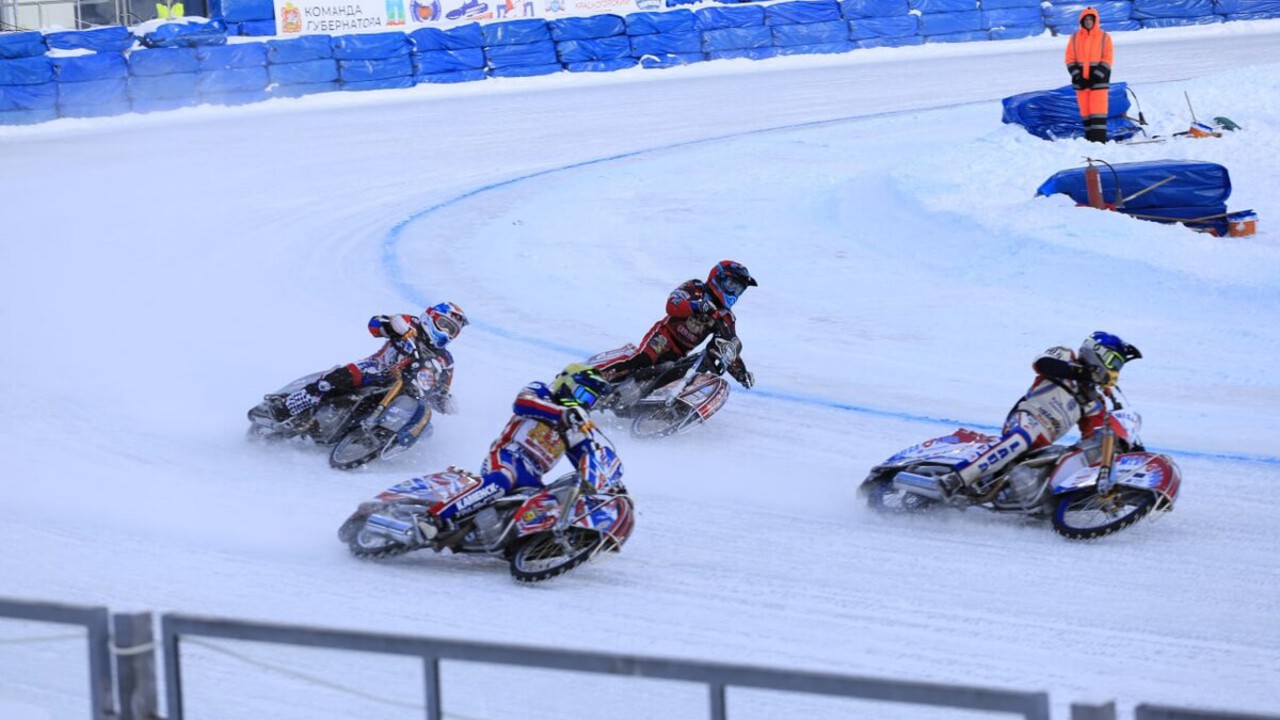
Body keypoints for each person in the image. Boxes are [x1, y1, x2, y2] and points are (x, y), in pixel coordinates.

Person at [938, 332, 1142, 499]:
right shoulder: (1065, 356)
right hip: (1028, 419)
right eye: (1114, 363)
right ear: (1097, 352)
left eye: (1119, 367)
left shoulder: (1095, 401)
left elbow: (1095, 435)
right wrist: (1083, 374)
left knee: (1070, 459)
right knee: (1021, 438)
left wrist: (1126, 446)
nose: (1115, 370)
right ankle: (956, 478)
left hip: (1045, 442)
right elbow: (1043, 364)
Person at [418, 363, 613, 537]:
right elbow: (521, 403)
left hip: (533, 476)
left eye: (590, 400)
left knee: (547, 506)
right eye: (582, 395)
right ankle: (433, 518)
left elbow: (587, 459)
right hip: (508, 456)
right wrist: (562, 413)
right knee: (503, 480)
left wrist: (608, 484)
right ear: (567, 384)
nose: (584, 403)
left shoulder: (574, 428)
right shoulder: (541, 391)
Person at [270, 301, 469, 421]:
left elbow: (442, 389)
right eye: (444, 325)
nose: (446, 333)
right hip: (376, 368)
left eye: (452, 330)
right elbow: (375, 324)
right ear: (432, 317)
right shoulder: (411, 324)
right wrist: (392, 327)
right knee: (333, 380)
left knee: (425, 422)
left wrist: (446, 403)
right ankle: (288, 407)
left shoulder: (445, 359)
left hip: (404, 389)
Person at [593, 260, 758, 390]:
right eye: (732, 285)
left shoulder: (726, 317)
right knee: (643, 360)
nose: (734, 292)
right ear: (718, 277)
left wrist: (741, 373)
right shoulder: (695, 287)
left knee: (671, 377)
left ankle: (646, 405)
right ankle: (593, 379)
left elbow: (727, 347)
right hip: (664, 337)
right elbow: (672, 305)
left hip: (681, 353)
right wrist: (696, 306)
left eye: (738, 289)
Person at [1064, 7, 1114, 143]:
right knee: (1085, 114)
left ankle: (1099, 142)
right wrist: (1078, 77)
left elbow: (1107, 59)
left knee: (1098, 114)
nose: (1088, 22)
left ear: (1095, 20)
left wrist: (1095, 77)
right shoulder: (1074, 38)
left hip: (1098, 83)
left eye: (1091, 19)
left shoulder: (1104, 37)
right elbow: (1069, 59)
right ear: (1081, 21)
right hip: (1081, 84)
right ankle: (1089, 142)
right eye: (1085, 19)